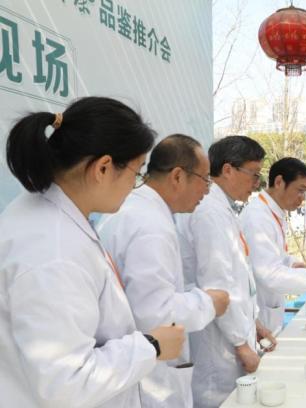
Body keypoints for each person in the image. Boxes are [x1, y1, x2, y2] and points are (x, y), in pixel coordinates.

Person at [0, 97, 185, 407]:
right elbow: (66, 383)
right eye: (136, 173)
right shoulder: (53, 250)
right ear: (103, 168)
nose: (135, 185)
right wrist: (151, 346)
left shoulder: (44, 214)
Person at [97, 134, 231, 407]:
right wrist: (209, 303)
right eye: (205, 179)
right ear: (178, 176)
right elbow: (155, 313)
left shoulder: (134, 209)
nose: (207, 190)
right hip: (148, 380)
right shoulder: (150, 225)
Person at [177, 135, 277, 408]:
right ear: (228, 169)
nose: (256, 183)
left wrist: (253, 324)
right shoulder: (209, 212)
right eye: (253, 174)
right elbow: (217, 285)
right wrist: (241, 344)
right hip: (219, 341)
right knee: (220, 399)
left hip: (234, 331)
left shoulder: (224, 209)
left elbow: (238, 278)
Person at [240, 157, 306, 331]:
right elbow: (269, 273)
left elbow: (275, 255)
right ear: (279, 182)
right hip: (258, 312)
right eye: (300, 190)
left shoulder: (272, 212)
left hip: (269, 309)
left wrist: (291, 263)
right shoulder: (257, 217)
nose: (302, 198)